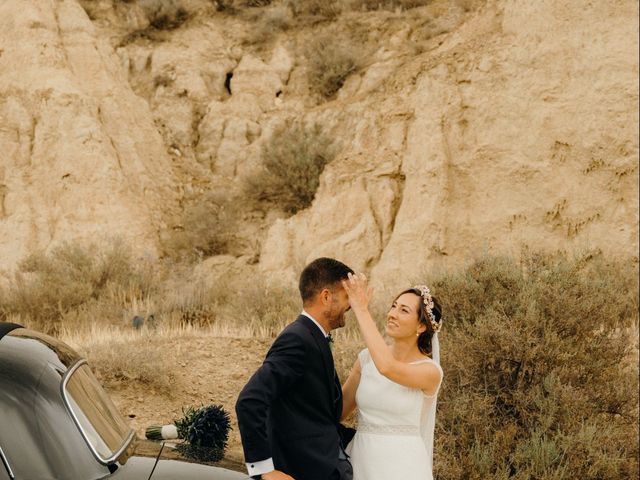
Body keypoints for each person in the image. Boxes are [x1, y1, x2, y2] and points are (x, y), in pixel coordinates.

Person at [235, 257, 355, 480]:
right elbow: (250, 401)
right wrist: (264, 470)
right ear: (326, 297)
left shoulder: (313, 335)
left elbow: (320, 410)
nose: (351, 305)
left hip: (323, 465)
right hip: (303, 470)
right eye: (347, 297)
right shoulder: (297, 339)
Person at [341, 272, 443, 480]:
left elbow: (387, 367)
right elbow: (338, 410)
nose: (392, 314)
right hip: (361, 460)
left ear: (421, 326)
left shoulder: (429, 372)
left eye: (403, 310)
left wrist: (361, 309)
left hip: (403, 467)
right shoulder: (366, 359)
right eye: (393, 306)